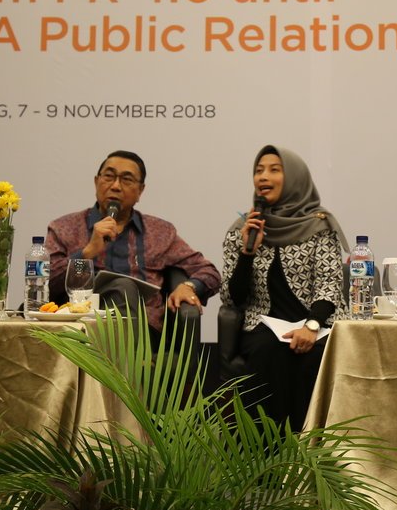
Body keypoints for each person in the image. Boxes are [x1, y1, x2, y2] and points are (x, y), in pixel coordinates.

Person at [45, 150, 220, 383]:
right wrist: (86, 253)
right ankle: (135, 375)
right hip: (81, 328)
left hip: (145, 332)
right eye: (109, 176)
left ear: (140, 191)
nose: (115, 186)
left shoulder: (160, 233)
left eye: (126, 180)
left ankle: (130, 373)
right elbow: (47, 284)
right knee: (123, 286)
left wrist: (189, 286)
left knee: (124, 287)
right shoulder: (65, 228)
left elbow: (209, 272)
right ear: (96, 182)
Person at [220, 145, 346, 431]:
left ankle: (311, 447)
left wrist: (311, 326)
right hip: (263, 326)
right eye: (258, 171)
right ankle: (263, 449)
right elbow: (232, 297)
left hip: (318, 323)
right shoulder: (242, 228)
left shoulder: (319, 226)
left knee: (313, 357)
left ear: (294, 178)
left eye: (274, 170)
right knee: (268, 352)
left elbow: (329, 284)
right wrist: (247, 253)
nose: (263, 176)